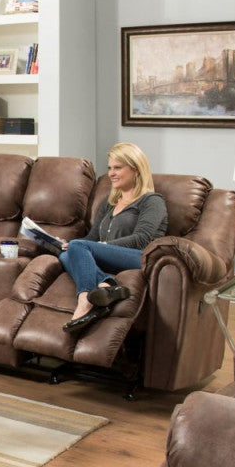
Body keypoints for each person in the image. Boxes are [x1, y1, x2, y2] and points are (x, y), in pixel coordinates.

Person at [60, 142, 168, 334]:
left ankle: (84, 300)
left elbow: (142, 239)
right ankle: (108, 285)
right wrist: (71, 245)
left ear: (136, 170)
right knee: (65, 254)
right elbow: (92, 237)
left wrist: (100, 245)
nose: (111, 173)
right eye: (110, 168)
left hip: (140, 257)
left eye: (118, 168)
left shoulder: (152, 201)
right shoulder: (109, 203)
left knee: (79, 247)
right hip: (108, 256)